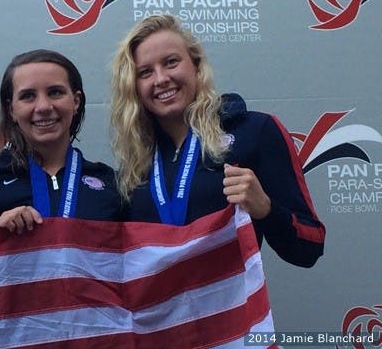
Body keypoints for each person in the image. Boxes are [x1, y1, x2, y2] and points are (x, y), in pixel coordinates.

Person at [110, 14, 325, 267]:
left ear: (196, 66)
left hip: (232, 306)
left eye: (171, 62)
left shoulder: (255, 130)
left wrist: (266, 209)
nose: (161, 79)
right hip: (161, 308)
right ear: (134, 86)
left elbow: (310, 247)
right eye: (145, 72)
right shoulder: (136, 165)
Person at [0, 49, 123, 232]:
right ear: (12, 110)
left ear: (76, 101)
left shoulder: (113, 183)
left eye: (55, 92)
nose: (43, 107)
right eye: (28, 96)